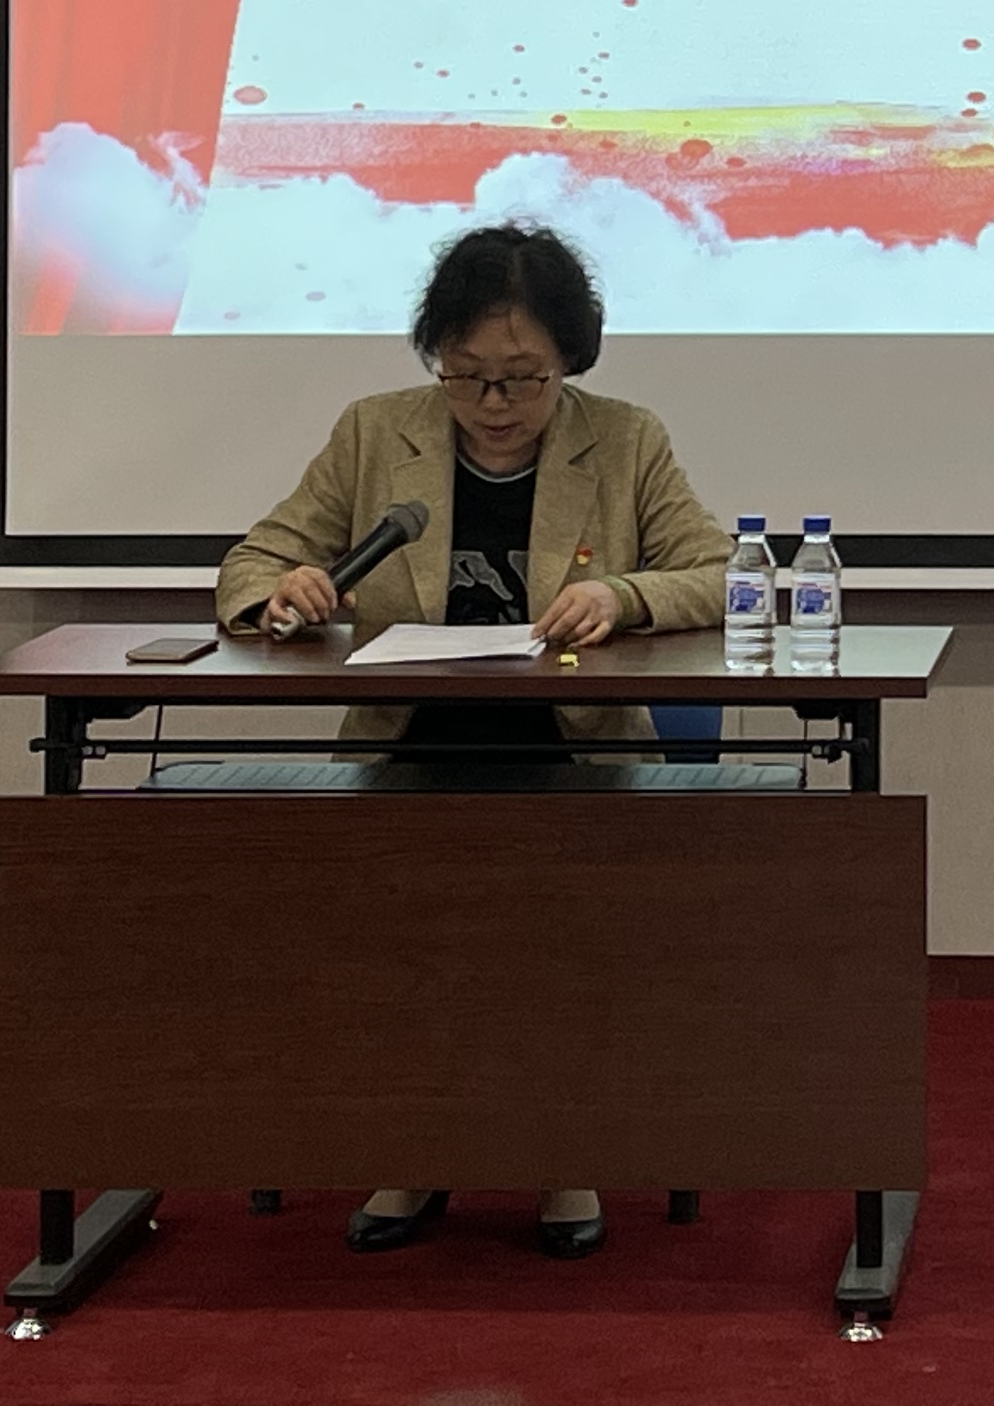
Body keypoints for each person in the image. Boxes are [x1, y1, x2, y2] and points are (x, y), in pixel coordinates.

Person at [213, 222, 730, 1262]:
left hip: (574, 757)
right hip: (410, 749)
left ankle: (562, 1155)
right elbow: (256, 558)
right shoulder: (375, 433)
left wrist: (622, 595)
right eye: (467, 376)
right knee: (406, 938)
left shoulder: (626, 441)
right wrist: (285, 590)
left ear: (570, 359)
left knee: (548, 927)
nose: (494, 404)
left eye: (522, 378)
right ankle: (416, 1150)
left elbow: (719, 572)